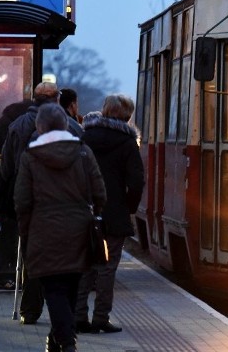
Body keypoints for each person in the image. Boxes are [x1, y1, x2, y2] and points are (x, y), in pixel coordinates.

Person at [14, 103, 106, 352]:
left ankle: (66, 343)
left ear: (39, 127)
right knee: (71, 287)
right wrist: (92, 217)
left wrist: (26, 232)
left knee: (53, 289)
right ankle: (59, 339)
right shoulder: (84, 153)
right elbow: (100, 193)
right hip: (79, 231)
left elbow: (22, 201)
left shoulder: (30, 158)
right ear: (66, 125)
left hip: (43, 231)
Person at [1, 81, 81, 325]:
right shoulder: (75, 128)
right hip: (68, 206)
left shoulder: (16, 126)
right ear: (57, 99)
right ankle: (64, 314)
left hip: (32, 204)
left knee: (32, 256)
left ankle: (30, 310)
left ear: (34, 98)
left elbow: (6, 169)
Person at [74, 94, 145, 334]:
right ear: (126, 116)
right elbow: (136, 182)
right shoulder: (126, 142)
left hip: (84, 210)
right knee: (107, 267)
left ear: (104, 111)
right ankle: (101, 318)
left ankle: (78, 316)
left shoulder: (84, 137)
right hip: (114, 213)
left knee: (84, 264)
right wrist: (128, 207)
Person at [0, 98, 33, 291]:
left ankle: (4, 274)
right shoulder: (11, 128)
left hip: (4, 190)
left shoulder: (5, 124)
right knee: (10, 234)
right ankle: (3, 275)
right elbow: (10, 164)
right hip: (8, 191)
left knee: (9, 233)